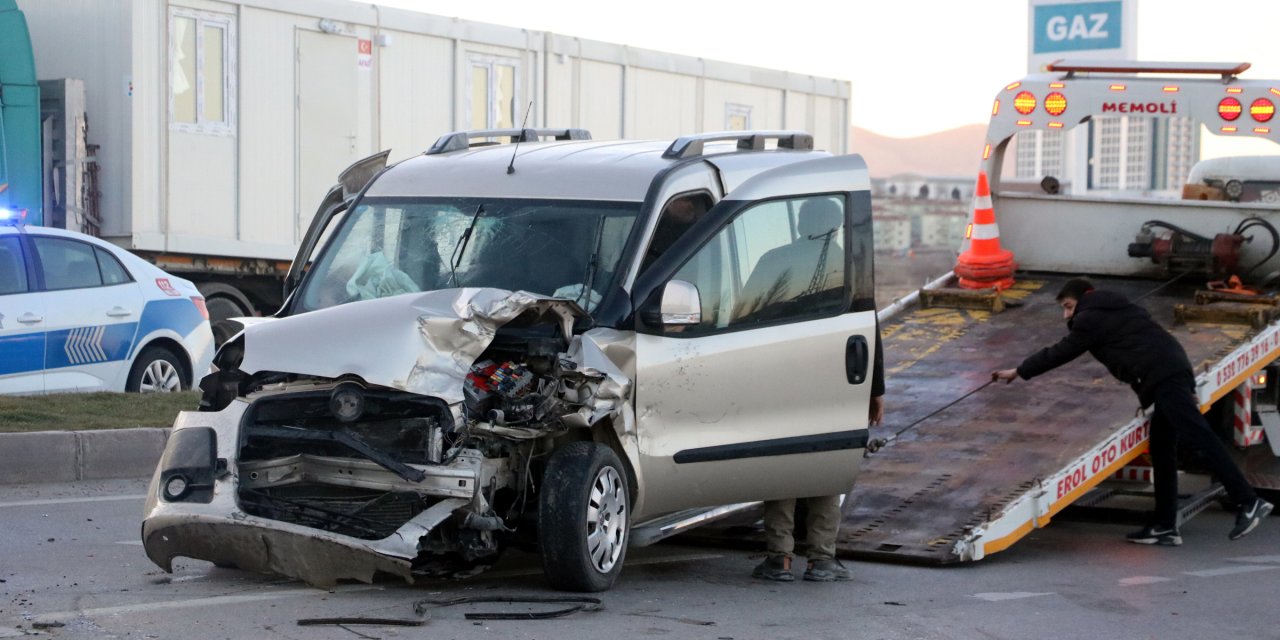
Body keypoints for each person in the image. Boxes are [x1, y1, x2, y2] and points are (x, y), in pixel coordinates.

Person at [992, 277, 1273, 545]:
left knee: (1198, 436)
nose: (1066, 316)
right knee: (1162, 447)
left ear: (1083, 299)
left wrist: (1019, 371)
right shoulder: (1117, 309)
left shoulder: (1090, 317)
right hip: (1170, 372)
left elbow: (1061, 352)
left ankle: (1249, 501)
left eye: (1067, 306)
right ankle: (1165, 526)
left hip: (1164, 378)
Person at [752, 330, 885, 582]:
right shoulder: (840, 296)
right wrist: (875, 390)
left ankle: (779, 557)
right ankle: (821, 558)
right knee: (827, 463)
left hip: (781, 383)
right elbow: (868, 335)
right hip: (834, 382)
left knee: (783, 461)